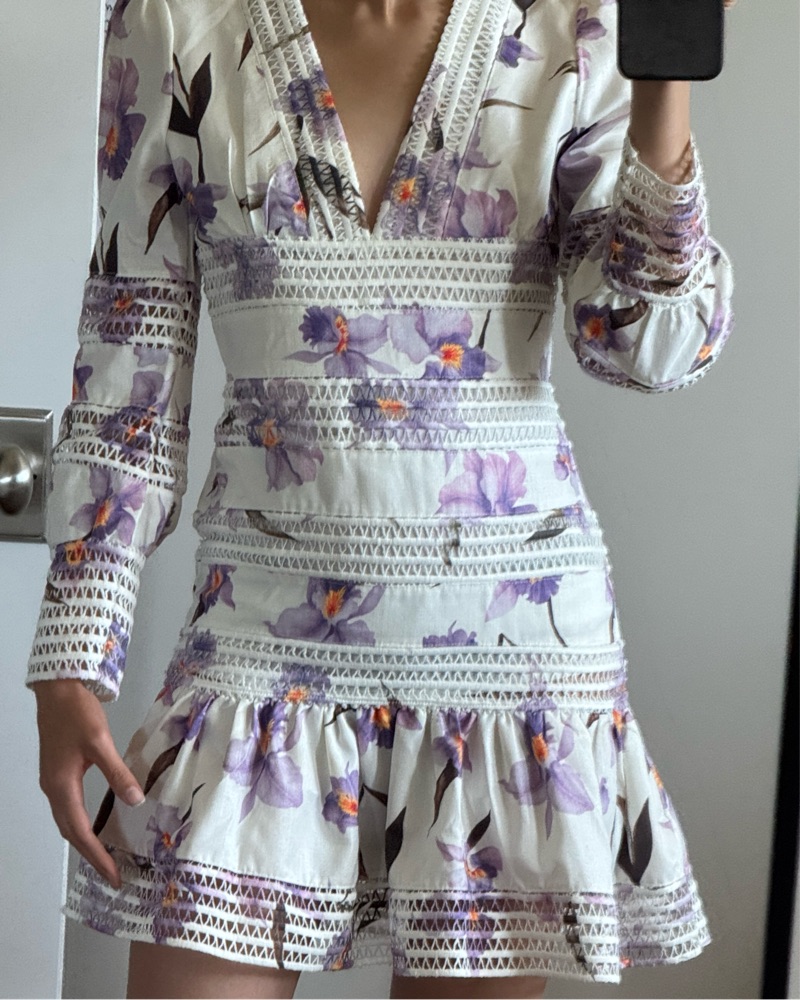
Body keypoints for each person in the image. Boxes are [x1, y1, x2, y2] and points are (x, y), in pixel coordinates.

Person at [27, 0, 737, 997]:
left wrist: (664, 82)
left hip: (509, 678)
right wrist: (73, 653)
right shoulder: (175, 20)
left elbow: (644, 347)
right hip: (257, 653)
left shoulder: (577, 30)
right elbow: (126, 369)